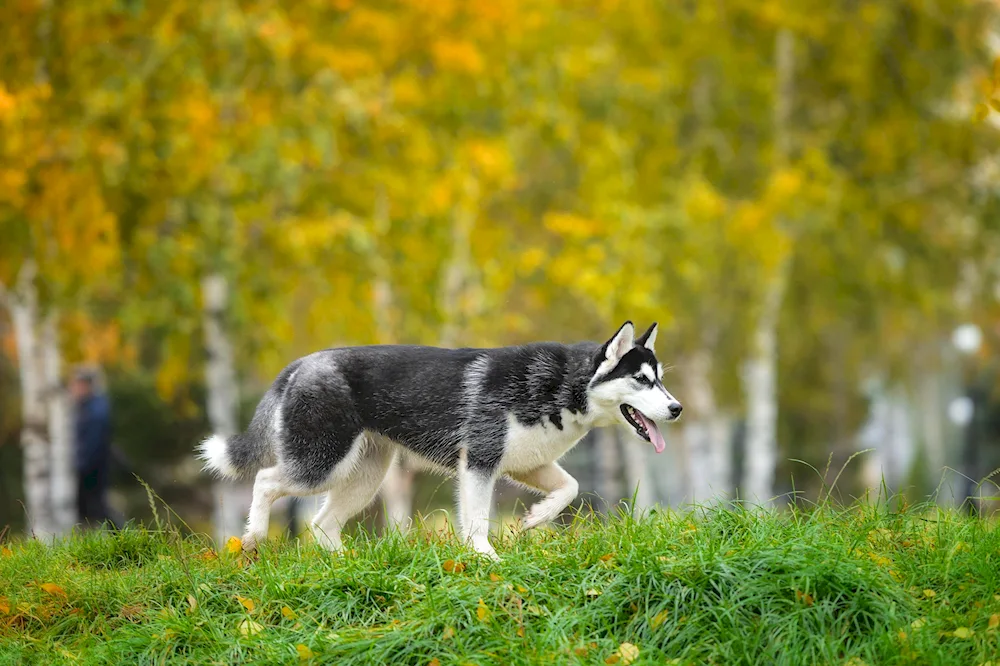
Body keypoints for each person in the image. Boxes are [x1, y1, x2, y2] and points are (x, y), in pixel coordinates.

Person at [71, 367, 115, 528]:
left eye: (78, 384)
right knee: (91, 510)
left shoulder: (95, 409)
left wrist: (80, 465)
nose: (74, 388)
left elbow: (93, 442)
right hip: (87, 466)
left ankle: (124, 537)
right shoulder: (84, 407)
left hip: (92, 468)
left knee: (97, 509)